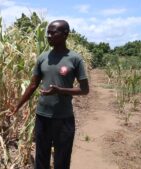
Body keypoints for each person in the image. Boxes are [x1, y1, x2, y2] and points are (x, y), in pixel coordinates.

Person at [9, 20, 89, 169]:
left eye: (53, 32)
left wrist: (60, 91)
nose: (48, 35)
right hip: (42, 117)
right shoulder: (43, 58)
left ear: (65, 34)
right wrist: (17, 106)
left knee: (62, 160)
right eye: (48, 32)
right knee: (41, 158)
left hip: (64, 118)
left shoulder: (75, 59)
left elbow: (85, 90)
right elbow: (33, 85)